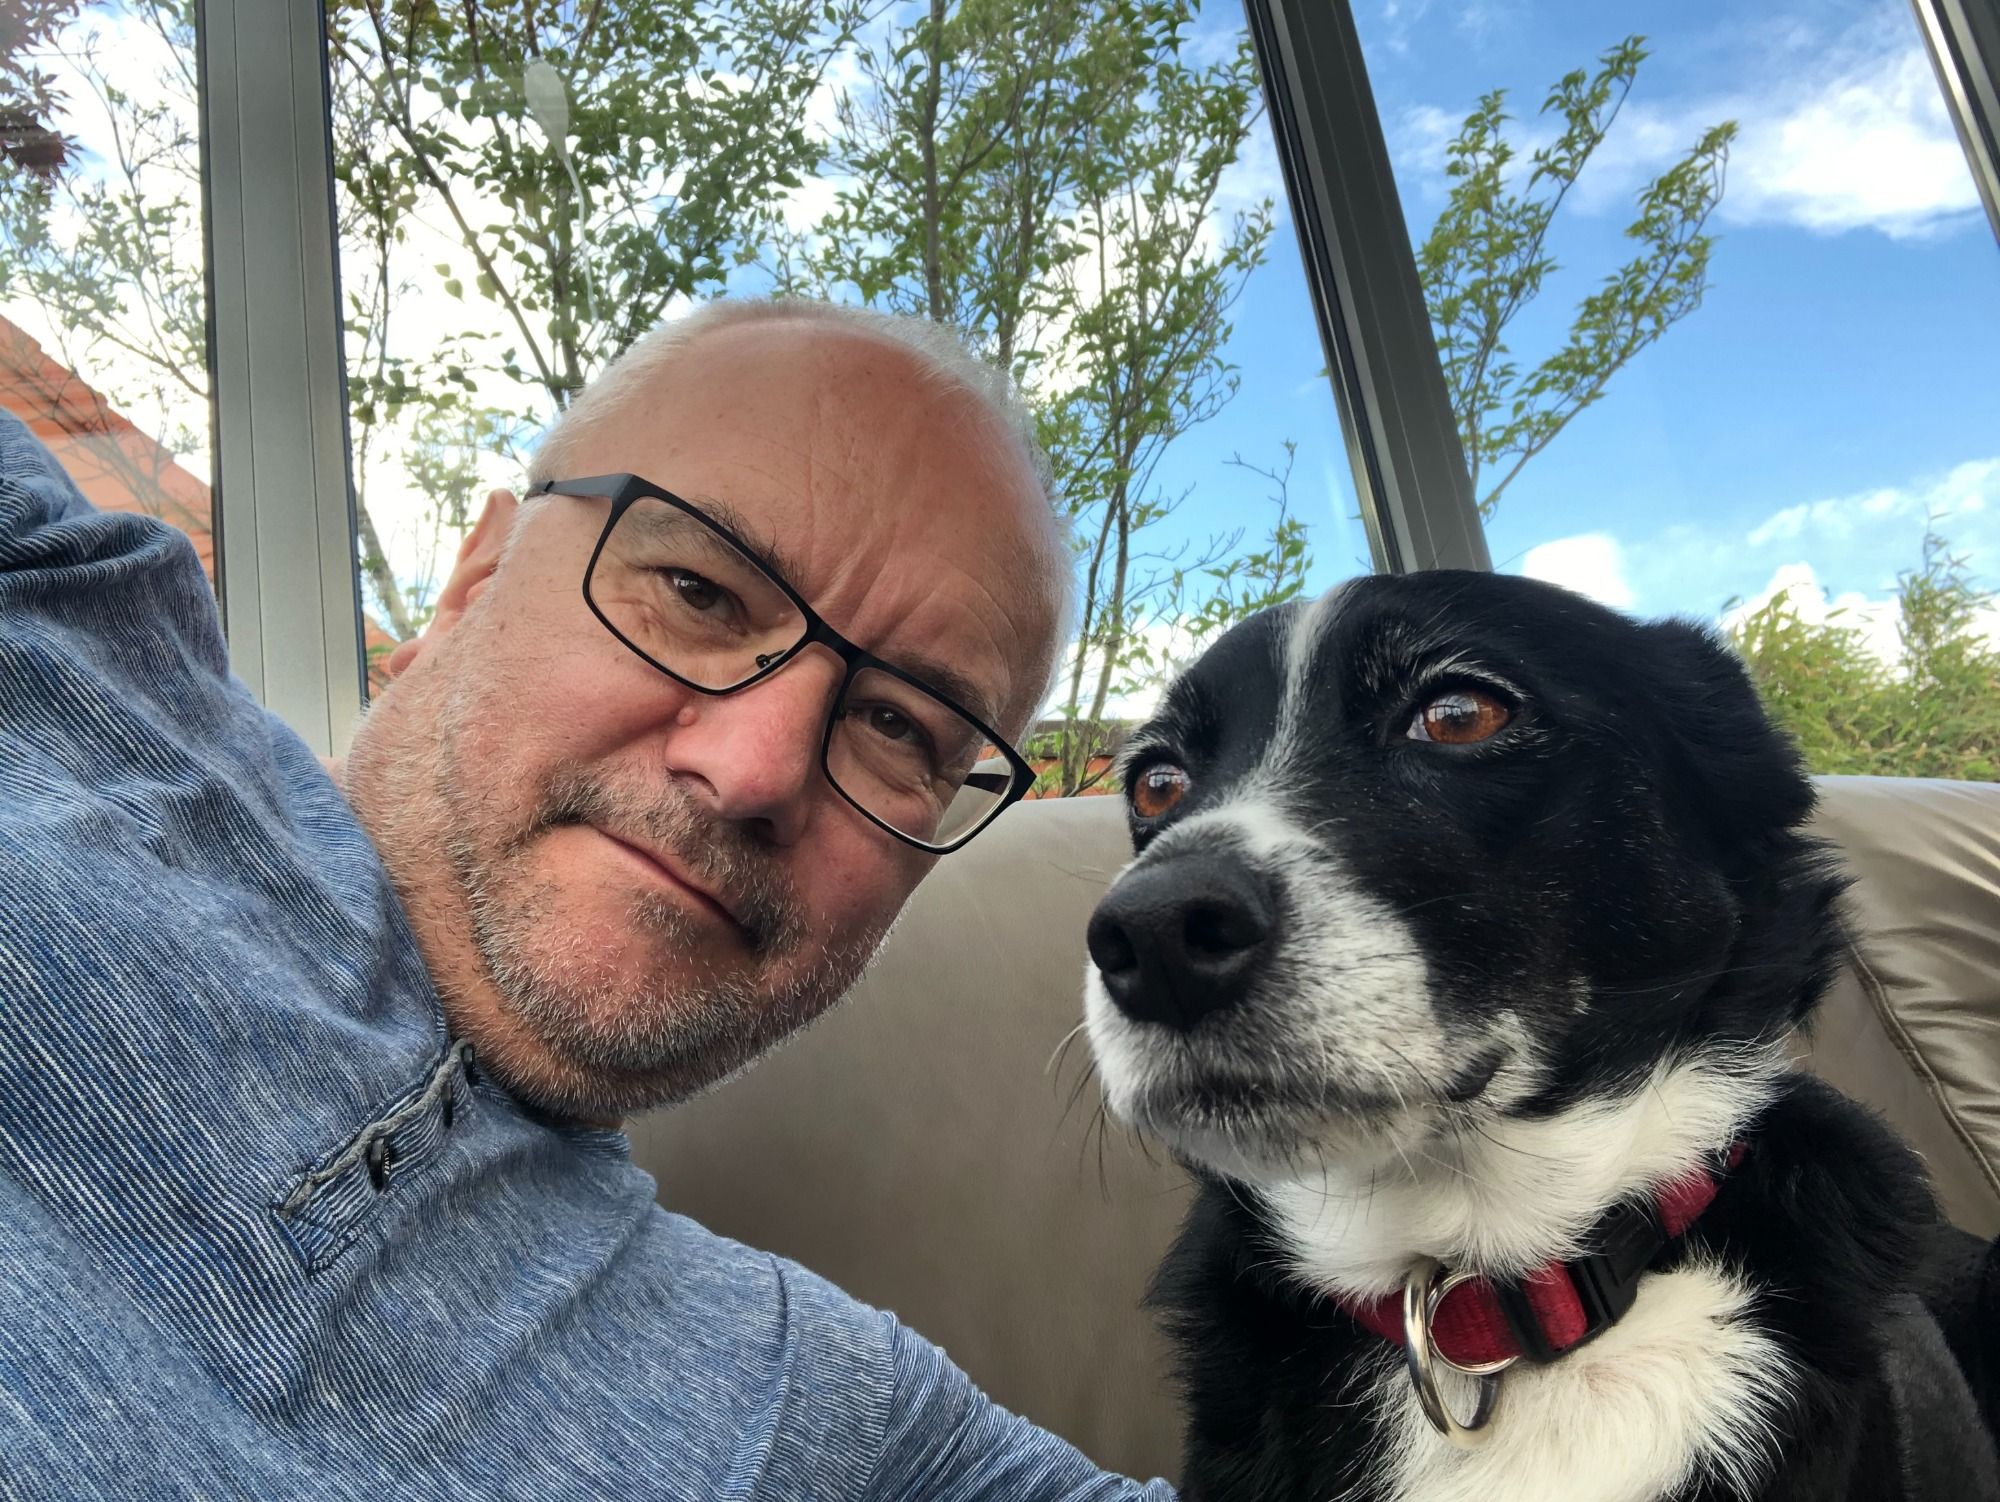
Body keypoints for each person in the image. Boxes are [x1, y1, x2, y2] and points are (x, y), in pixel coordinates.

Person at [0, 298, 1178, 1499]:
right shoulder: (63, 642)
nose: (754, 769)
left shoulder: (834, 1414)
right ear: (476, 578)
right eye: (699, 590)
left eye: (895, 725)